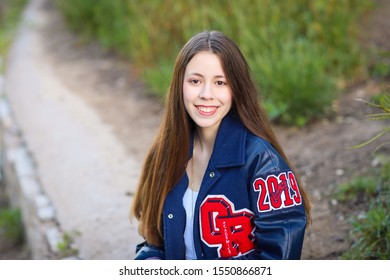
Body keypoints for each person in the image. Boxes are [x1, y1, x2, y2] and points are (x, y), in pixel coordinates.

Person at [131, 30, 311, 260]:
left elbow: (279, 259)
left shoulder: (264, 163)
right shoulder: (164, 153)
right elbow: (154, 240)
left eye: (220, 82)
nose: (207, 94)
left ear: (236, 89)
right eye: (195, 81)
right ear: (180, 85)